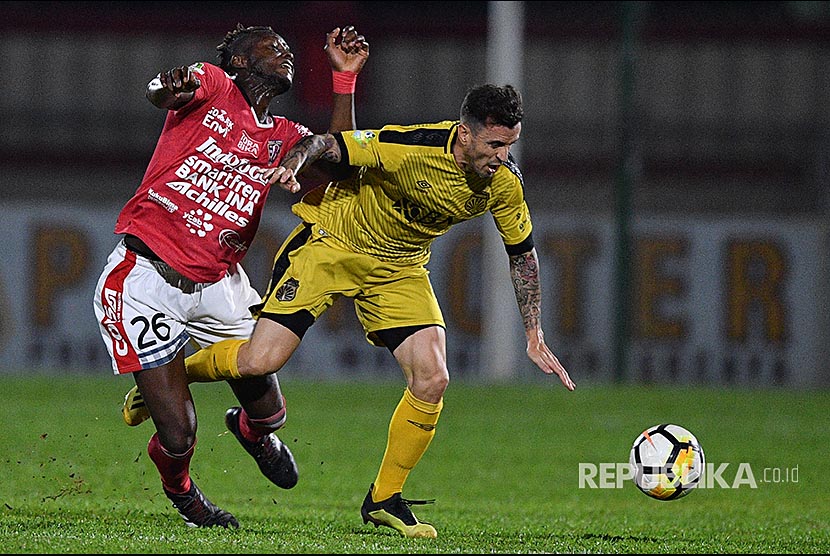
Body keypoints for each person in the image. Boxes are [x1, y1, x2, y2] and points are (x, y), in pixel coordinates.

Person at [145, 82, 575, 538]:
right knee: (260, 361)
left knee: (433, 377)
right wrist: (295, 160)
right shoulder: (408, 145)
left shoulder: (503, 184)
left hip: (399, 268)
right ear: (464, 135)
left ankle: (384, 499)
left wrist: (534, 332)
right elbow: (328, 144)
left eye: (510, 145)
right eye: (495, 145)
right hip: (333, 244)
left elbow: (522, 254)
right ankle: (168, 378)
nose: (503, 156)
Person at [93, 23, 369, 529]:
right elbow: (165, 89)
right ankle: (183, 493)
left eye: (287, 47)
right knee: (179, 435)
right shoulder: (215, 85)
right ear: (239, 60)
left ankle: (252, 432)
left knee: (270, 411)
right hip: (146, 280)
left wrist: (344, 81)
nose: (285, 50)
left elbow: (341, 163)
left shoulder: (284, 136)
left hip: (221, 285)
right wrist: (165, 89)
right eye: (272, 45)